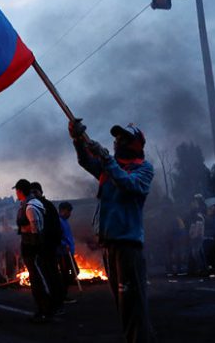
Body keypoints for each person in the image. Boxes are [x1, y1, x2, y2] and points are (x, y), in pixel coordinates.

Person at [69, 120, 155, 342]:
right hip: (110, 245)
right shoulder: (109, 167)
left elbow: (129, 185)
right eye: (116, 138)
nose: (117, 142)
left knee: (132, 305)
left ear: (136, 144)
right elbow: (85, 161)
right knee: (123, 305)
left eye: (123, 138)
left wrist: (107, 159)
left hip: (128, 245)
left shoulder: (143, 169)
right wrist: (78, 140)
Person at [14, 179, 53, 323]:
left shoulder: (30, 207)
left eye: (17, 191)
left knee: (38, 280)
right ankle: (42, 310)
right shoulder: (29, 204)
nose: (16, 194)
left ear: (20, 191)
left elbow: (35, 227)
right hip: (31, 246)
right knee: (36, 279)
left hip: (33, 247)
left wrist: (34, 247)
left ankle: (46, 310)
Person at [30, 182, 64, 313]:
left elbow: (50, 227)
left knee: (50, 274)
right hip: (48, 245)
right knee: (52, 274)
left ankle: (55, 303)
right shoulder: (42, 205)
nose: (33, 195)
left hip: (47, 246)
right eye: (31, 192)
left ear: (40, 192)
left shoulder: (45, 206)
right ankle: (57, 302)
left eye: (35, 192)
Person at [56, 202, 79, 304]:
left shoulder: (65, 221)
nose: (70, 214)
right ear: (63, 210)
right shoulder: (58, 221)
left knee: (72, 271)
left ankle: (63, 291)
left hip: (68, 253)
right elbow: (56, 237)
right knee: (67, 273)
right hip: (63, 253)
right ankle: (62, 296)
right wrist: (63, 244)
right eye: (68, 211)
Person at [186, 194, 207, 275]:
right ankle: (201, 269)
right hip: (197, 234)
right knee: (197, 252)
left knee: (196, 252)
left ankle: (202, 269)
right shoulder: (198, 210)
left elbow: (197, 224)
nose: (192, 203)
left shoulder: (198, 212)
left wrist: (194, 234)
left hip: (197, 235)